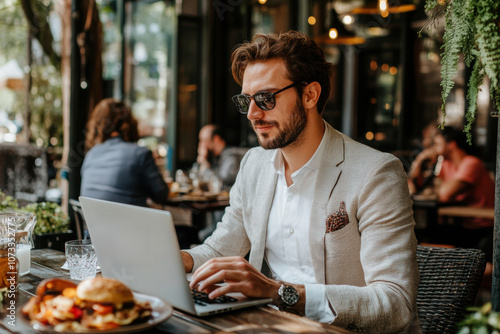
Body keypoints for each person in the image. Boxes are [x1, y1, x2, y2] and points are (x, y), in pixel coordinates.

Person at [181, 31, 419, 333]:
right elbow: (220, 250)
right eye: (246, 101)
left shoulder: (376, 173)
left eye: (266, 98)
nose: (253, 114)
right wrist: (179, 259)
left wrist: (277, 292)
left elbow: (394, 303)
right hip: (270, 325)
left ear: (310, 95)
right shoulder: (254, 165)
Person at [80, 98, 169, 207]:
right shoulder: (140, 154)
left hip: (93, 224)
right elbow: (161, 195)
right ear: (130, 124)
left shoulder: (91, 155)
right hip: (130, 223)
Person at [433, 126, 495, 260]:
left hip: (482, 226)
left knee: (435, 237)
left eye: (438, 144)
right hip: (462, 223)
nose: (434, 148)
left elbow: (444, 194)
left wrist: (441, 186)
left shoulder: (472, 163)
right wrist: (421, 160)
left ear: (452, 144)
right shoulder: (447, 163)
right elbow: (430, 188)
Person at [194, 124, 247, 191]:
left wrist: (204, 163)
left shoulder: (231, 157)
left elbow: (220, 184)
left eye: (204, 140)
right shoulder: (215, 158)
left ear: (216, 139)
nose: (201, 145)